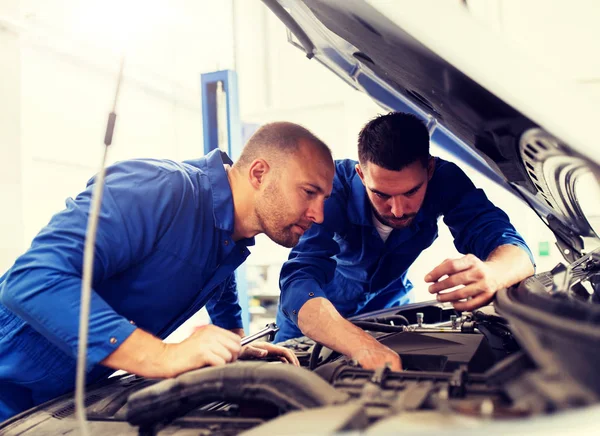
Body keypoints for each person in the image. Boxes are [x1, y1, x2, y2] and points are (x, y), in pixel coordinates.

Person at [0, 122, 335, 421]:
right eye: (309, 192)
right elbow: (33, 278)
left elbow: (219, 286)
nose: (319, 214)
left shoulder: (231, 237)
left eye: (324, 198)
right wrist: (161, 355)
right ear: (259, 174)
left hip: (65, 401)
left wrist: (235, 351)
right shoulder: (159, 190)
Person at [276, 112, 535, 370]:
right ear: (361, 175)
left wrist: (493, 274)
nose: (398, 210)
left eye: (411, 191)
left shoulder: (445, 180)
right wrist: (359, 344)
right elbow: (298, 281)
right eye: (381, 195)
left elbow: (509, 244)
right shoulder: (330, 191)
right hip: (313, 325)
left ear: (430, 170)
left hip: (388, 314)